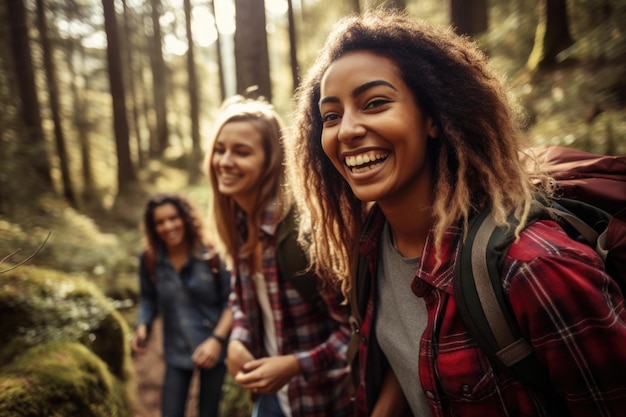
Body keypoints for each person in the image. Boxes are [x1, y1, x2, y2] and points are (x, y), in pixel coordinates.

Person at [286, 9, 626, 417]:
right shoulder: (371, 245)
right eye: (331, 116)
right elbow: (410, 350)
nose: (347, 130)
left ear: (432, 118)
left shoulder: (533, 267)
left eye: (375, 103)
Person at [204, 96, 353, 417]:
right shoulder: (241, 225)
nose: (225, 161)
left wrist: (294, 365)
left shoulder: (304, 235)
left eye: (241, 152)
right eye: (220, 149)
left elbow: (356, 333)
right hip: (270, 400)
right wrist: (237, 340)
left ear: (271, 161)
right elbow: (242, 300)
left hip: (321, 402)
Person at [131, 192, 232, 417]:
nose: (168, 226)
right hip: (176, 348)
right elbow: (148, 298)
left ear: (185, 218)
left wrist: (216, 341)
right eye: (160, 222)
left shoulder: (213, 253)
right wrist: (143, 325)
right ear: (152, 227)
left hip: (213, 346)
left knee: (208, 413)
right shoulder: (149, 259)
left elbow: (232, 301)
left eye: (173, 218)